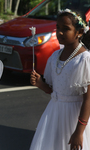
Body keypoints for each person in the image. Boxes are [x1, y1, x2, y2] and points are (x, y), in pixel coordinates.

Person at [30, 9, 90, 150]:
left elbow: (88, 99)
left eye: (66, 29)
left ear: (79, 32)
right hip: (54, 114)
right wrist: (40, 84)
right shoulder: (55, 56)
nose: (59, 32)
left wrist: (79, 132)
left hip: (74, 117)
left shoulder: (85, 59)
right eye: (58, 28)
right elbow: (53, 90)